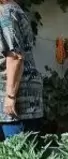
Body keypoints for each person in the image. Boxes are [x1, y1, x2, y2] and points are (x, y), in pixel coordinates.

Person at [0, 0, 42, 139]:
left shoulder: (5, 13)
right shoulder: (14, 10)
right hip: (25, 95)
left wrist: (10, 97)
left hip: (16, 100)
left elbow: (15, 56)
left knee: (16, 155)